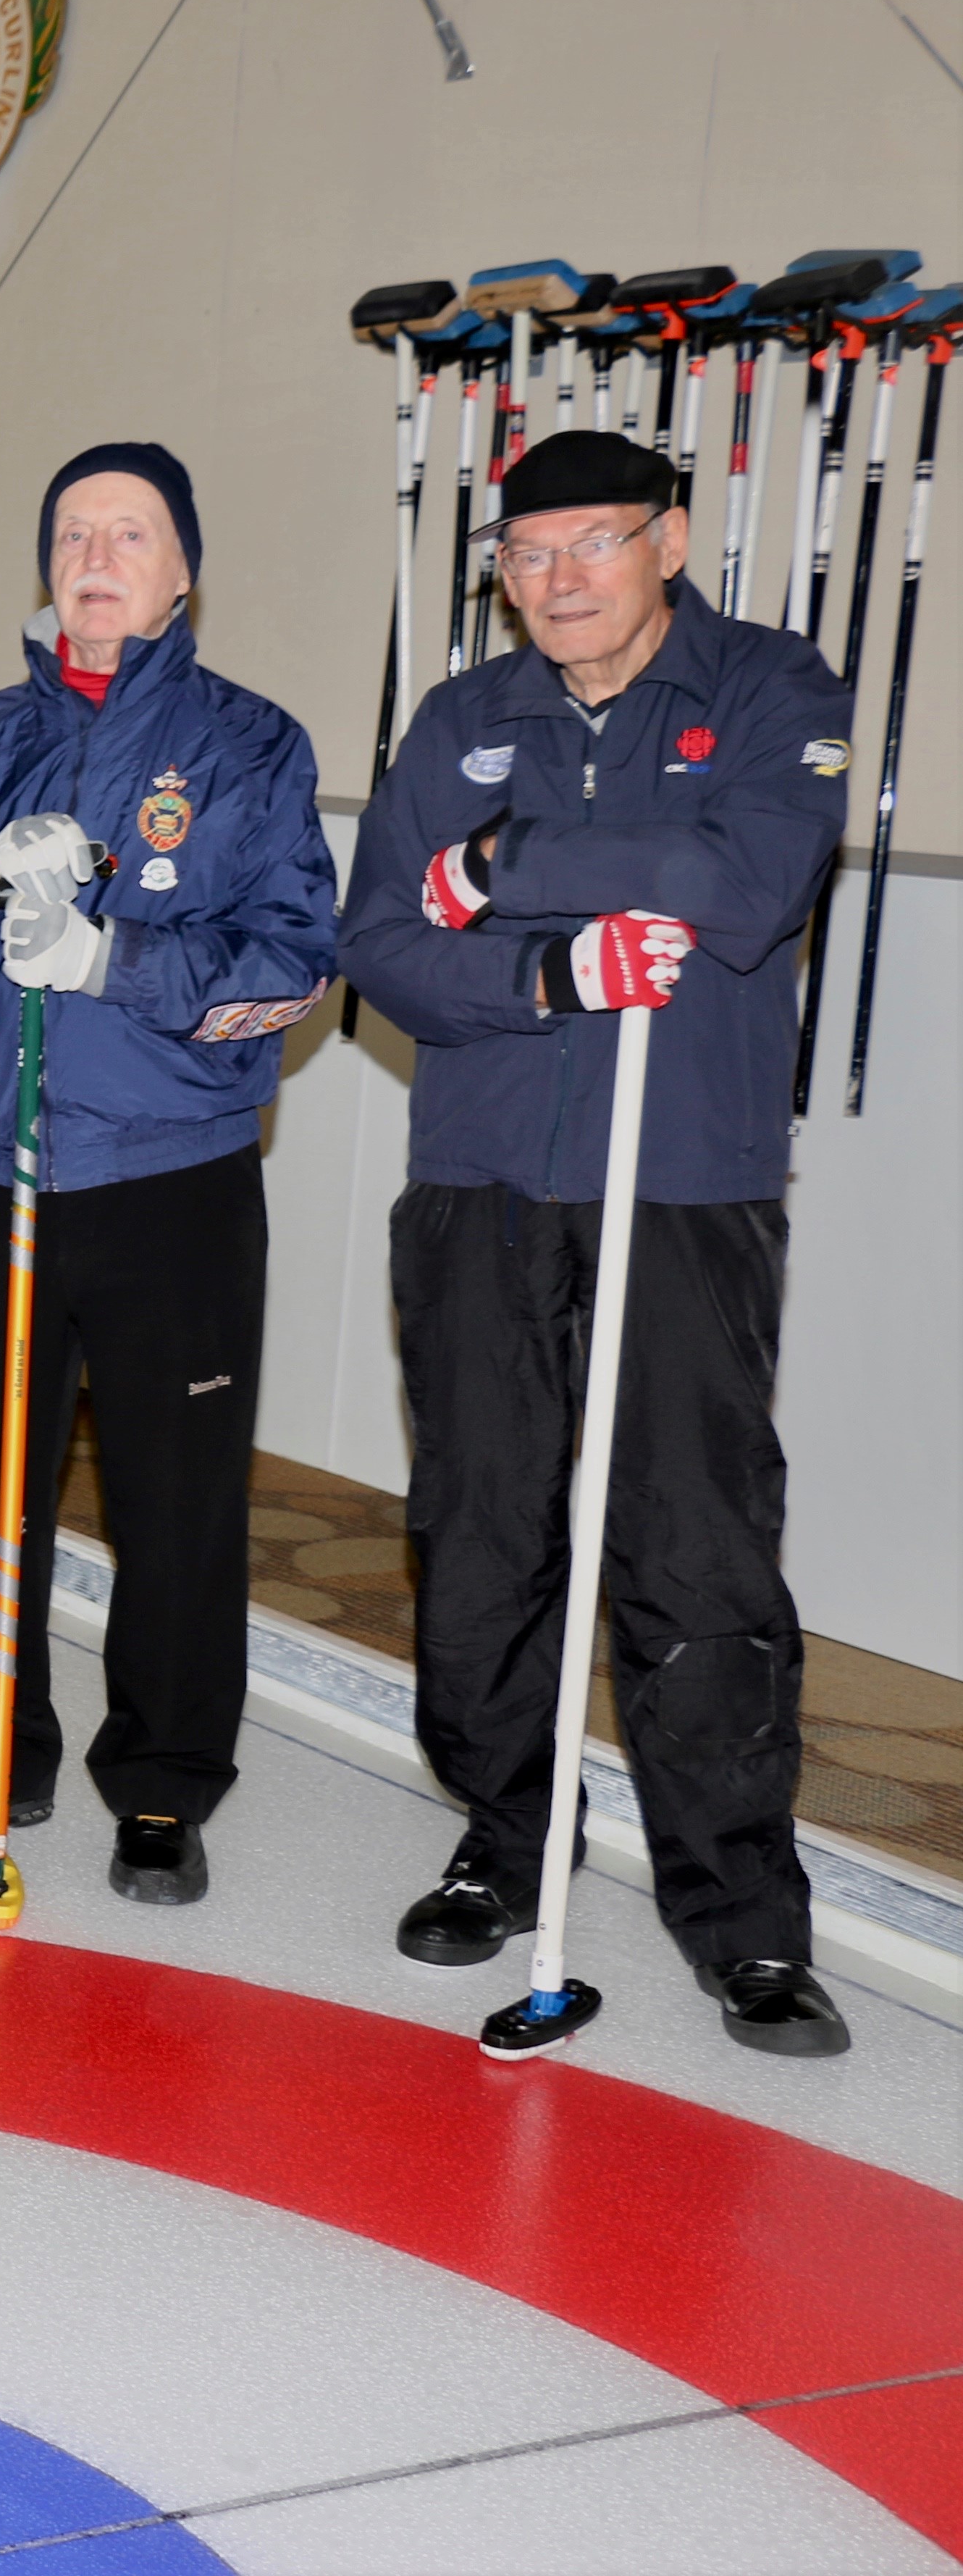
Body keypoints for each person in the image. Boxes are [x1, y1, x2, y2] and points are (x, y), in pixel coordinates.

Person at [342, 427, 852, 2057]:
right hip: (483, 1177)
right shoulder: (459, 719)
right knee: (483, 1534)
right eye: (527, 553)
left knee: (696, 1547)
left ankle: (744, 1920)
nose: (558, 580)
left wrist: (500, 867)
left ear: (669, 541)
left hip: (685, 1185)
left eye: (594, 543)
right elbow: (380, 942)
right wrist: (548, 972)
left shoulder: (769, 689)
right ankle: (506, 1846)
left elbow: (750, 882)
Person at [0, 445, 335, 1907]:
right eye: (73, 532)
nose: (96, 556)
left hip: (169, 1180)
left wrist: (109, 957)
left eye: (130, 534)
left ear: (182, 569)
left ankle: (163, 1782)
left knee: (176, 1497)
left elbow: (294, 965)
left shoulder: (251, 746)